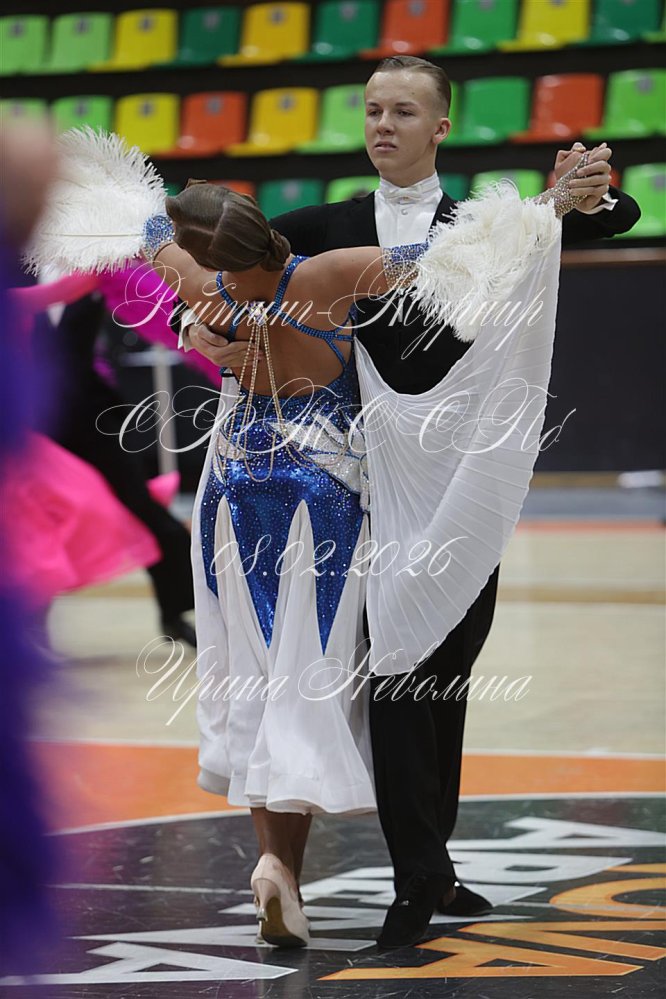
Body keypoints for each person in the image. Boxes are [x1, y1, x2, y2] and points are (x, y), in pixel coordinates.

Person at [22, 127, 606, 949]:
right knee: (309, 676)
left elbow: (138, 224)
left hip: (230, 496)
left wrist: (136, 228)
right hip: (319, 499)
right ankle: (333, 848)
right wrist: (548, 204)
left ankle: (277, 864)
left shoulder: (201, 285)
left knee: (256, 674)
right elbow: (467, 259)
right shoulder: (328, 275)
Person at [180, 56, 641, 949]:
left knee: (447, 671)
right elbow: (214, 277)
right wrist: (199, 334)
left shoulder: (478, 223)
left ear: (441, 128)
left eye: (402, 111)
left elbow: (614, 221)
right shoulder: (325, 225)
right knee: (397, 672)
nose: (382, 125)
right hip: (357, 480)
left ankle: (436, 863)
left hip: (458, 479)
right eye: (372, 110)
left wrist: (586, 193)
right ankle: (413, 877)